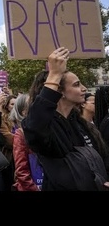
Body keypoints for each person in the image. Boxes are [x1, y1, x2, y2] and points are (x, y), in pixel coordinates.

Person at [22, 47, 109, 191]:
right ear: (60, 91)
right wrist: (54, 75)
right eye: (76, 85)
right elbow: (35, 129)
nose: (84, 88)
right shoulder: (46, 126)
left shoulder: (82, 124)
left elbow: (102, 157)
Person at [11, 93, 43, 191]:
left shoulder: (41, 129)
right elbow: (21, 170)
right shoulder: (20, 134)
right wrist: (33, 188)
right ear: (24, 112)